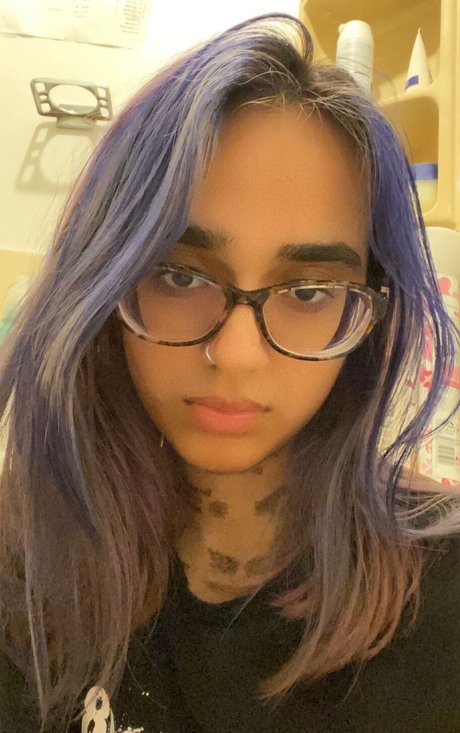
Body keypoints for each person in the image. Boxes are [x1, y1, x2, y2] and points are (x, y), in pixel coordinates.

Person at [0, 12, 459, 733]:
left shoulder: (443, 599)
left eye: (309, 291)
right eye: (180, 276)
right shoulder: (23, 561)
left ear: (367, 317)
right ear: (102, 284)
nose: (237, 355)